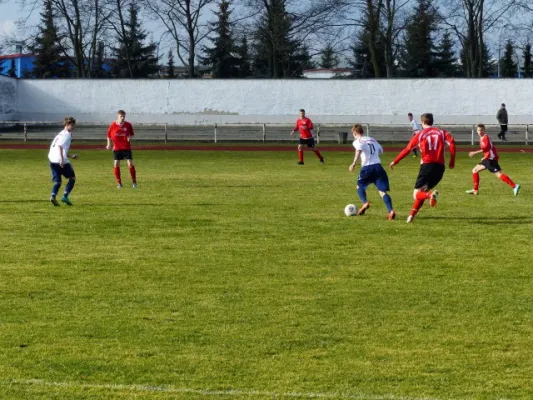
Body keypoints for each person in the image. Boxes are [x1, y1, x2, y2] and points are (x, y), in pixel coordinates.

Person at [389, 113, 456, 223]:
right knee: (422, 191)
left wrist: (395, 161)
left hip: (427, 166)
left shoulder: (420, 134)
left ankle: (430, 196)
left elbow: (408, 149)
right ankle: (411, 216)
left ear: (423, 122)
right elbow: (452, 143)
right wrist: (452, 160)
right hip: (440, 168)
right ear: (432, 121)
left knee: (416, 194)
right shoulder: (442, 133)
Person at [349, 124, 396, 220]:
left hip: (367, 168)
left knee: (359, 186)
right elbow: (381, 150)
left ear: (355, 133)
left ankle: (365, 203)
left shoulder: (357, 141)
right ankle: (391, 211)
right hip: (378, 168)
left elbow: (358, 151)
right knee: (382, 192)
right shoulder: (372, 140)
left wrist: (353, 163)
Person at [466, 123, 520, 196]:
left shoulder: (485, 137)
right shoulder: (481, 138)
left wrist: (475, 152)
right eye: (479, 130)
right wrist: (484, 157)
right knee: (474, 170)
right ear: (477, 131)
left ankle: (514, 186)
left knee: (498, 174)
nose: (480, 131)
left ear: (484, 130)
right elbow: (487, 149)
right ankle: (475, 190)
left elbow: (487, 148)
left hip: (490, 159)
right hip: (488, 158)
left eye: (481, 130)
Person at [48, 116, 78, 206]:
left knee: (58, 181)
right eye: (71, 125)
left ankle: (53, 196)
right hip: (60, 160)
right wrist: (62, 159)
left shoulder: (60, 134)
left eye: (74, 125)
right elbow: (60, 147)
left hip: (52, 159)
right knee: (72, 178)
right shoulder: (67, 135)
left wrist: (70, 156)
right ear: (66, 125)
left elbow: (60, 147)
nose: (73, 127)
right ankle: (65, 196)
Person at [106, 110, 137, 188]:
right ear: (117, 116)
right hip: (117, 147)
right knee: (116, 164)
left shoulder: (128, 125)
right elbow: (108, 135)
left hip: (126, 147)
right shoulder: (113, 125)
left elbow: (132, 134)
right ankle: (119, 183)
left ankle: (134, 182)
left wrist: (130, 137)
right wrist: (109, 144)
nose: (123, 118)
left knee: (130, 163)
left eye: (124, 116)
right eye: (121, 116)